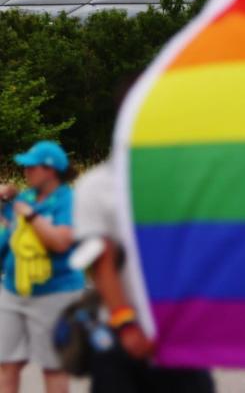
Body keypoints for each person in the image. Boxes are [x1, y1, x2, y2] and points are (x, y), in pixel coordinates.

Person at [71, 81, 215, 393]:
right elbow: (101, 262)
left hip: (177, 334)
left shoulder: (188, 183)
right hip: (120, 334)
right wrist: (127, 324)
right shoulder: (97, 186)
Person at [0, 142, 84, 393]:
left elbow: (61, 242)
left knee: (53, 367)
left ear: (50, 170)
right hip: (14, 289)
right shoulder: (24, 197)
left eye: (31, 166)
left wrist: (31, 216)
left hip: (55, 293)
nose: (25, 171)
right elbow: (9, 238)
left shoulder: (68, 200)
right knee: (7, 364)